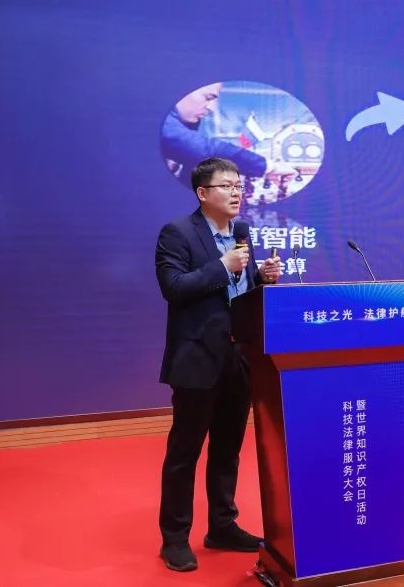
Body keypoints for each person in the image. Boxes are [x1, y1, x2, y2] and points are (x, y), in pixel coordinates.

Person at [154, 157, 283, 572]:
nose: (236, 192)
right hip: (197, 358)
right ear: (203, 193)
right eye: (227, 185)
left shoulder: (241, 233)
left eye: (239, 186)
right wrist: (222, 266)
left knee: (228, 449)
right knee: (185, 452)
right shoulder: (177, 233)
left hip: (239, 357)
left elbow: (240, 295)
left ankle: (222, 526)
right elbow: (174, 288)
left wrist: (262, 278)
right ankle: (174, 538)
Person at [161, 83, 269, 185]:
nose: (212, 108)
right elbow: (203, 150)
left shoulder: (187, 123)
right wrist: (266, 167)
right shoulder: (163, 123)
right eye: (208, 98)